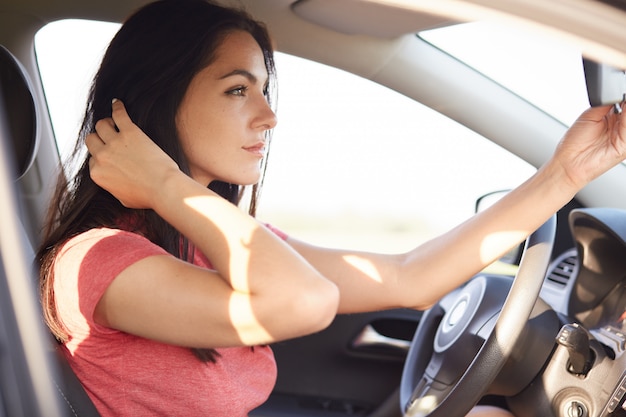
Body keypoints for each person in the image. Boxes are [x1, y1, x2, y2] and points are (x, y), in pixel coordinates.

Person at [36, 0, 626, 416]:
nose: (268, 117)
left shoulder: (213, 244)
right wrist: (165, 183)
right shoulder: (96, 262)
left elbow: (409, 277)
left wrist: (565, 173)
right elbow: (306, 300)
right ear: (158, 96)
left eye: (265, 91)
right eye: (238, 90)